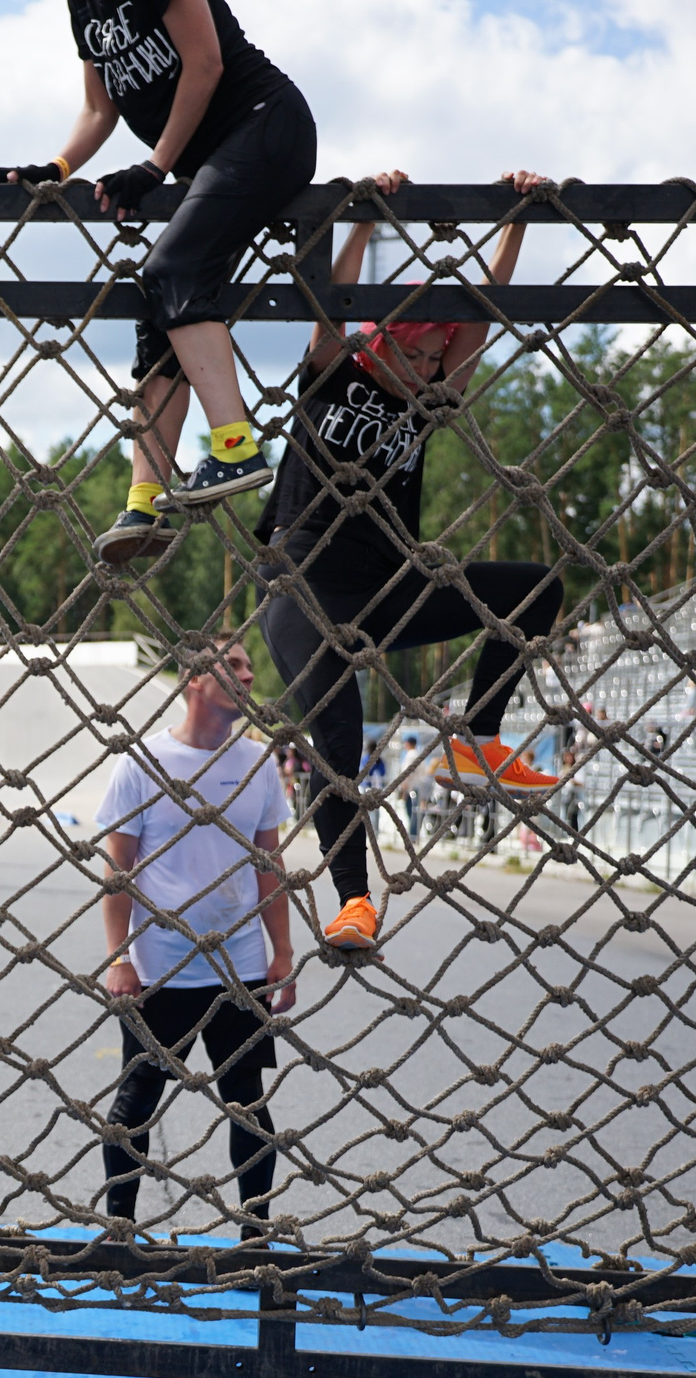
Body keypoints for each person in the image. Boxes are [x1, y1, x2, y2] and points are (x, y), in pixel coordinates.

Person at [256, 168, 567, 952]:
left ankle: (478, 736)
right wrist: (361, 217)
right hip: (305, 580)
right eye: (424, 352)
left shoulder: (426, 398)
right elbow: (337, 297)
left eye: (439, 361)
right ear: (386, 336)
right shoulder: (333, 369)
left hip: (389, 583)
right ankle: (355, 901)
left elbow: (481, 318)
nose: (432, 370)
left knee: (534, 591)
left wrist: (514, 222)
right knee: (338, 740)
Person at [0, 0, 315, 562]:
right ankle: (146, 499)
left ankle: (235, 446)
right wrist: (58, 168)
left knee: (172, 271)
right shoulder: (82, 8)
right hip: (211, 161)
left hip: (264, 126)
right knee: (157, 303)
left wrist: (154, 166)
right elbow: (98, 107)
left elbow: (206, 64)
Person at [93, 640, 292, 1240]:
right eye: (232, 664)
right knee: (135, 1103)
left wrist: (281, 952)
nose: (249, 673)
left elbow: (269, 865)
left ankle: (255, 1234)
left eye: (250, 664)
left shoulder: (258, 765)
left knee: (248, 1105)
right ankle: (119, 1231)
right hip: (161, 967)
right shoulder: (144, 762)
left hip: (239, 964)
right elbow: (117, 868)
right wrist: (119, 956)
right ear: (193, 680)